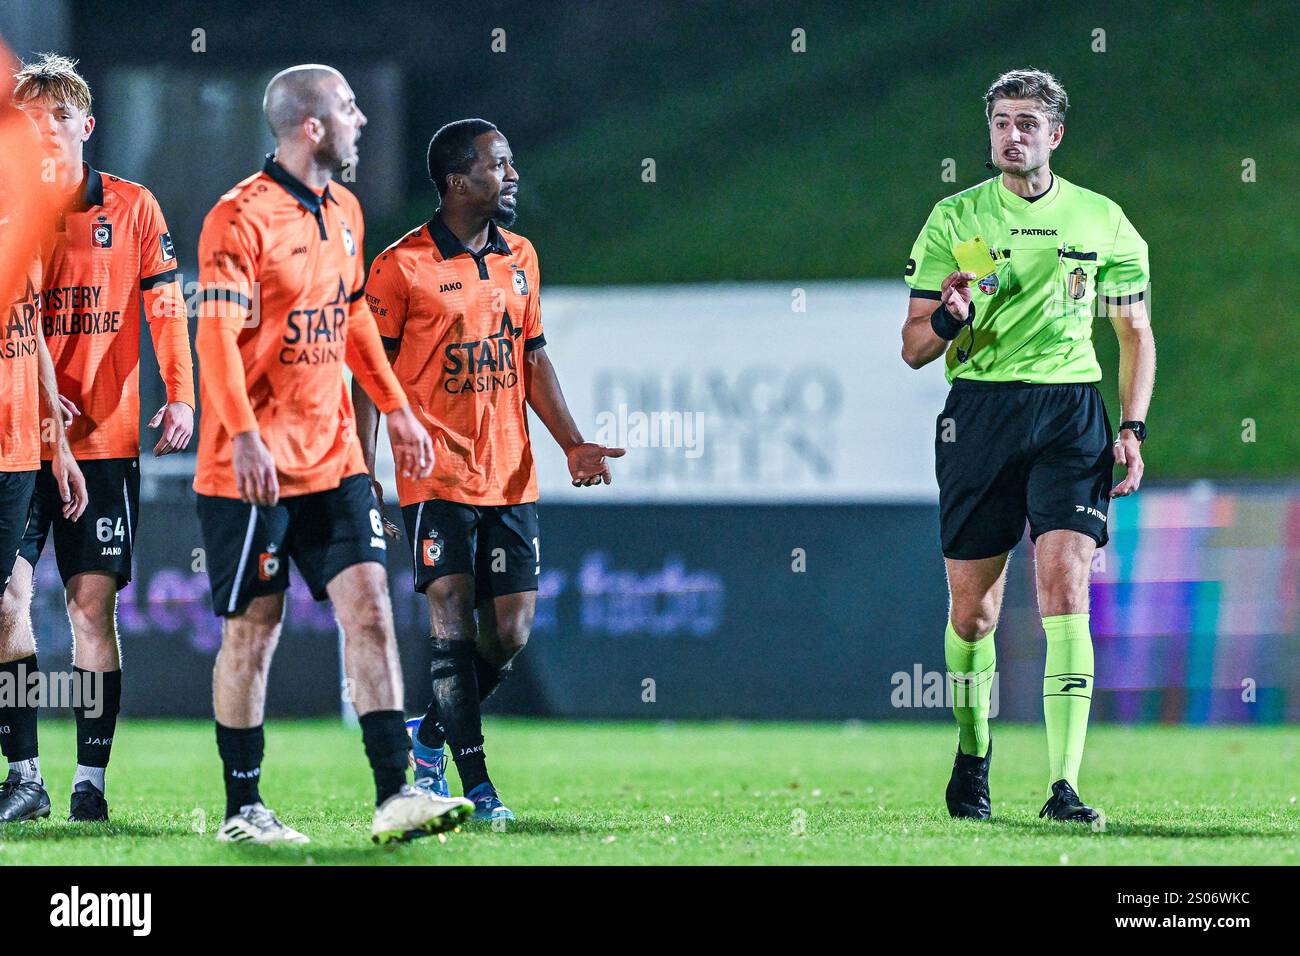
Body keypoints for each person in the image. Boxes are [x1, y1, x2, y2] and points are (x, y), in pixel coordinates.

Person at [194, 65, 471, 844]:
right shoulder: (238, 219)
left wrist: (397, 409)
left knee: (373, 611)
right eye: (349, 109)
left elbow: (351, 323)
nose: (363, 121)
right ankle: (243, 809)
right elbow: (212, 336)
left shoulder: (345, 211)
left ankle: (395, 795)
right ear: (311, 126)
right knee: (256, 627)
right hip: (252, 467)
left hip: (335, 459)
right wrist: (244, 434)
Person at [900, 68, 1154, 823]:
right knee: (973, 614)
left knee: (1065, 590)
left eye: (1027, 123)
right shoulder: (955, 221)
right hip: (980, 413)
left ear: (1055, 134)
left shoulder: (1102, 220)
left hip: (1071, 413)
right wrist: (949, 317)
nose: (1012, 135)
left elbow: (1133, 333)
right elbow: (913, 347)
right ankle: (974, 754)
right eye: (1001, 122)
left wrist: (1132, 429)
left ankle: (1064, 786)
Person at [354, 119, 623, 824]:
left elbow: (531, 356)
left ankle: (431, 733)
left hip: (510, 475)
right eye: (500, 165)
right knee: (448, 613)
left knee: (508, 633)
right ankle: (476, 788)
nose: (513, 176)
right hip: (434, 474)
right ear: (457, 181)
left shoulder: (522, 257)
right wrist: (361, 464)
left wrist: (571, 442)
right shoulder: (400, 266)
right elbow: (369, 373)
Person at [0, 53, 190, 823]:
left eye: (56, 116)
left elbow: (166, 306)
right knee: (10, 601)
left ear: (86, 124)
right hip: (20, 439)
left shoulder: (135, 208)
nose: (42, 131)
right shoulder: (14, 213)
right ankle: (25, 774)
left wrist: (180, 393)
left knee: (89, 607)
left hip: (106, 440)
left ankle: (91, 782)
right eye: (27, 119)